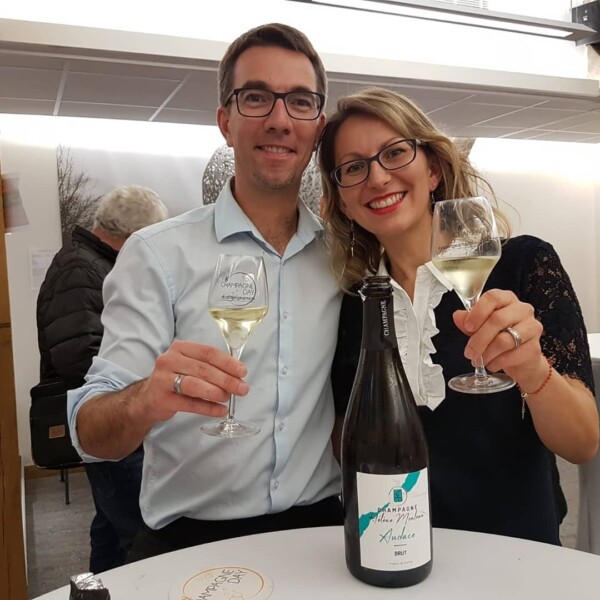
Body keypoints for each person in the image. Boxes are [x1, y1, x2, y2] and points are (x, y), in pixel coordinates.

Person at [67, 23, 343, 562]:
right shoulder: (156, 254)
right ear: (225, 121)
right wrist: (145, 397)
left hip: (322, 537)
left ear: (317, 127)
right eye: (256, 97)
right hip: (189, 544)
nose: (280, 119)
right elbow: (91, 432)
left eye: (300, 101)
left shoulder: (344, 258)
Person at [317, 87, 599, 545]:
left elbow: (581, 443)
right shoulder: (354, 303)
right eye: (353, 167)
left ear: (433, 170)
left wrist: (531, 369)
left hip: (517, 552)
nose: (378, 177)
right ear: (343, 201)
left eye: (395, 153)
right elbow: (344, 441)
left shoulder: (522, 264)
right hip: (397, 547)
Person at [37, 184, 169, 572]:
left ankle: (98, 591)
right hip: (107, 423)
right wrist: (140, 389)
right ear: (133, 235)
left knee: (109, 529)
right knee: (136, 536)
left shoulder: (87, 262)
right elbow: (81, 358)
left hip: (109, 421)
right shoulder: (82, 270)